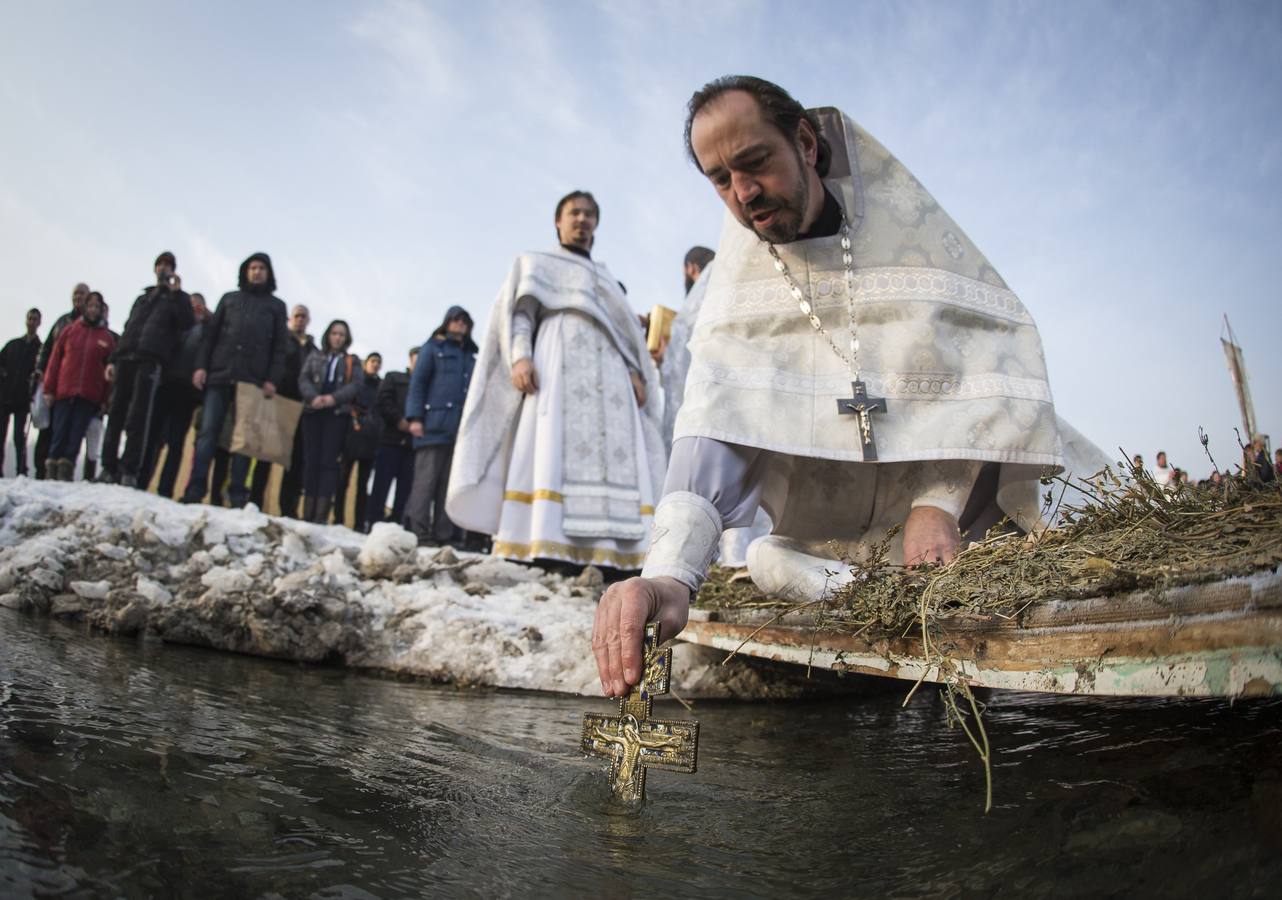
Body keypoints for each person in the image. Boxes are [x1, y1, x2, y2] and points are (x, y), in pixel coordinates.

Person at [590, 76, 1111, 698]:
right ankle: (888, 604)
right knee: (765, 558)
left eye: (756, 162)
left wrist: (935, 506)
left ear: (805, 143)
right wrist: (665, 579)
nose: (744, 192)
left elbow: (976, 382)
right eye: (720, 179)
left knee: (1057, 520)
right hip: (846, 545)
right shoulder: (739, 292)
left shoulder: (906, 243)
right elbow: (710, 439)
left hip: (957, 516)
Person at [445, 193, 666, 570]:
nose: (582, 220)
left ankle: (616, 553)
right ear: (558, 221)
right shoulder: (537, 263)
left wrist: (634, 371)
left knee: (614, 457)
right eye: (574, 213)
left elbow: (624, 334)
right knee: (553, 447)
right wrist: (520, 356)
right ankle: (546, 545)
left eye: (590, 214)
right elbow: (520, 315)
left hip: (611, 380)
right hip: (557, 366)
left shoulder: (607, 280)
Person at [658, 246, 771, 567]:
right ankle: (748, 553)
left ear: (690, 267)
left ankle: (729, 558)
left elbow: (689, 350)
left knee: (718, 473)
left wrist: (665, 361)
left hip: (716, 398)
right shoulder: (741, 273)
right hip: (752, 394)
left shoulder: (706, 283)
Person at [180, 252, 288, 507]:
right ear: (245, 271)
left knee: (245, 440)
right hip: (220, 375)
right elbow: (211, 336)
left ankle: (238, 495)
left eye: (262, 268)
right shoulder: (230, 300)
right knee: (207, 433)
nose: (257, 272)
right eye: (253, 267)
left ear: (269, 273)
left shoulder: (276, 307)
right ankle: (195, 489)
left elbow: (279, 347)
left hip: (253, 381)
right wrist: (201, 367)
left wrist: (272, 378)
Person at [100, 251, 194, 486]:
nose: (164, 268)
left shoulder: (178, 299)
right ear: (155, 269)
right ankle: (108, 467)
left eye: (168, 265)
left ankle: (129, 469)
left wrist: (176, 295)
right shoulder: (143, 298)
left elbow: (186, 324)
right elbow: (128, 327)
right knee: (116, 413)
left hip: (151, 360)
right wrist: (113, 358)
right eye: (160, 264)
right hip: (126, 358)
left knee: (139, 416)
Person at [406, 308, 477, 546]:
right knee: (425, 482)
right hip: (432, 424)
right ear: (446, 323)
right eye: (455, 320)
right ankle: (419, 532)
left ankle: (443, 534)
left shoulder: (471, 357)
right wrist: (415, 417)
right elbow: (418, 383)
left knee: (448, 486)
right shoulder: (432, 348)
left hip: (459, 430)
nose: (460, 325)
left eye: (464, 322)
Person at [41, 292, 115, 481]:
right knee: (59, 432)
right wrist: (49, 389)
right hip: (64, 390)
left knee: (75, 435)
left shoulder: (107, 339)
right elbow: (54, 361)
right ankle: (51, 469)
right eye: (90, 306)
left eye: (97, 307)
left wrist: (105, 400)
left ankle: (66, 470)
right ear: (85, 308)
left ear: (102, 310)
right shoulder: (70, 331)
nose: (93, 310)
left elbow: (110, 374)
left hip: (89, 395)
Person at [298, 320, 365, 523]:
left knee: (328, 462)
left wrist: (333, 399)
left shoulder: (351, 361)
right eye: (334, 333)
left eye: (341, 335)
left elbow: (355, 384)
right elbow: (304, 378)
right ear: (328, 335)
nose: (337, 337)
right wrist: (313, 398)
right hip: (313, 413)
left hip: (336, 416)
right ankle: (307, 510)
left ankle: (321, 513)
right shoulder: (316, 356)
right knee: (311, 460)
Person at [151, 292, 210, 498]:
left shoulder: (206, 331)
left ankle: (165, 488)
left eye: (197, 306)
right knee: (154, 438)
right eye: (190, 305)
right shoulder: (177, 325)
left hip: (187, 391)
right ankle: (144, 479)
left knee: (176, 443)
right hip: (166, 384)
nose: (194, 309)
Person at [32, 283, 88, 479]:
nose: (78, 297)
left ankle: (63, 471)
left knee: (69, 431)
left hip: (77, 389)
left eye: (82, 294)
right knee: (48, 430)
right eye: (75, 293)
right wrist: (41, 371)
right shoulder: (62, 322)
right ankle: (42, 471)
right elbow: (49, 350)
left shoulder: (91, 326)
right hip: (57, 384)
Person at [368, 346, 418, 528]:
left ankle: (397, 522)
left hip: (413, 444)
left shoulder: (429, 386)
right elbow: (383, 401)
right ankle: (373, 521)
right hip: (390, 439)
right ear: (410, 358)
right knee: (381, 484)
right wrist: (398, 419)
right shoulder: (394, 378)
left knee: (405, 490)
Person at [276, 304, 317, 517]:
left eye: (304, 316)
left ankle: (288, 507)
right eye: (297, 316)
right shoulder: (281, 340)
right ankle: (255, 498)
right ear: (291, 319)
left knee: (296, 459)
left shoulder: (313, 349)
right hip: (279, 399)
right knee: (269, 452)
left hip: (303, 407)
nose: (300, 320)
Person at [335, 352, 383, 529]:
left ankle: (358, 523)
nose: (375, 365)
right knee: (343, 480)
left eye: (378, 362)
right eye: (372, 361)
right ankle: (338, 518)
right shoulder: (356, 383)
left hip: (370, 439)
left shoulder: (380, 386)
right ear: (366, 363)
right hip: (352, 436)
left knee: (362, 485)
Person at [0, 308, 43, 476]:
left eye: (35, 319)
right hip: (5, 396)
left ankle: (21, 470)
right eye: (30, 318)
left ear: (39, 323)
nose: (32, 322)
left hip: (23, 399)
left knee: (19, 437)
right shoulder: (13, 345)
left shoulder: (39, 348)